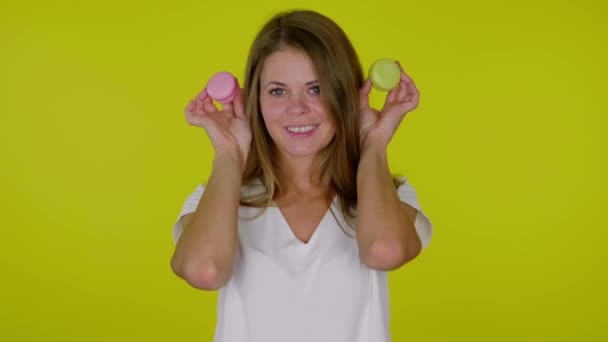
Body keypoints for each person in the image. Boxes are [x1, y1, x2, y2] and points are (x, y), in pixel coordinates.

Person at [170, 9, 433, 342]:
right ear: (256, 100)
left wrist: (375, 144)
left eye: (316, 89)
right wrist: (228, 155)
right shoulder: (220, 196)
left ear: (346, 95)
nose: (297, 108)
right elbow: (203, 271)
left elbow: (385, 251)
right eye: (278, 91)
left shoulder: (387, 194)